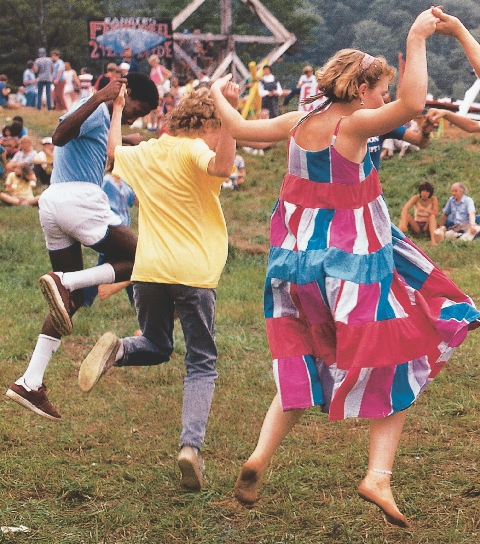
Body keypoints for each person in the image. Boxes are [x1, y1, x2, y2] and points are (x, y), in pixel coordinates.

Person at [210, 8, 480, 528]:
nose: (383, 103)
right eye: (377, 91)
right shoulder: (352, 126)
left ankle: (258, 460)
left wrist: (219, 93)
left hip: (295, 264)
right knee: (403, 349)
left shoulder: (298, 121)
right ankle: (378, 474)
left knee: (308, 359)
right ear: (359, 89)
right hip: (352, 264)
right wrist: (418, 36)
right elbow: (413, 103)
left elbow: (241, 127)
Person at [77, 85, 236, 492]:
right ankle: (190, 448)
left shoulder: (146, 152)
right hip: (194, 274)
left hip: (148, 274)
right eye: (221, 126)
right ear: (205, 124)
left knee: (156, 344)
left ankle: (118, 348)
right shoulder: (193, 149)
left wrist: (115, 109)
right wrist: (231, 111)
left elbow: (113, 150)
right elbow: (221, 168)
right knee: (201, 361)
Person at [5, 74, 159, 422]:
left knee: (67, 305)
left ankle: (30, 380)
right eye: (140, 108)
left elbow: (95, 147)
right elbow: (60, 136)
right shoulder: (95, 109)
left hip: (54, 204)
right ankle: (68, 282)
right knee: (149, 256)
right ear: (126, 94)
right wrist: (100, 96)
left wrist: (127, 136)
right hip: (79, 199)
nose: (139, 116)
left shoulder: (104, 119)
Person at [82, 165, 137, 307]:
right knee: (126, 262)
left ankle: (135, 302)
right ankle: (83, 299)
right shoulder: (106, 181)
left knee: (122, 263)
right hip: (111, 230)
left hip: (123, 231)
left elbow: (135, 200)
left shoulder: (124, 184)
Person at [398, 181, 439, 245]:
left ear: (430, 193)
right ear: (420, 191)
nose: (425, 194)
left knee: (432, 216)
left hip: (427, 225)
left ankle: (433, 240)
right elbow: (405, 209)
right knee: (406, 215)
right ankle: (399, 237)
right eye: (423, 191)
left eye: (427, 192)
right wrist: (403, 222)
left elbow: (436, 214)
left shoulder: (433, 199)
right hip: (416, 225)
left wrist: (425, 209)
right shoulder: (416, 198)